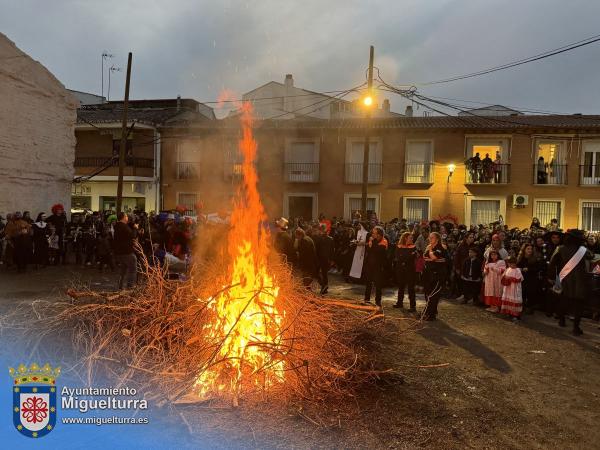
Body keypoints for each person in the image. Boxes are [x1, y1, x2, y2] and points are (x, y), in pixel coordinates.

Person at [548, 229, 593, 336]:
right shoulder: (583, 250)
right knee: (578, 304)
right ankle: (576, 328)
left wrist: (551, 277)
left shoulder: (560, 248)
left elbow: (551, 264)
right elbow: (591, 256)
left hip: (564, 279)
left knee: (563, 300)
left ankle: (562, 320)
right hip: (580, 281)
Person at [422, 231, 447, 320]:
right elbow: (424, 257)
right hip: (428, 273)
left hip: (437, 274)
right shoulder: (430, 247)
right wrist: (430, 253)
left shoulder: (440, 247)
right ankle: (429, 311)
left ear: (437, 239)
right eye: (429, 237)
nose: (429, 239)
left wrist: (430, 251)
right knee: (427, 293)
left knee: (433, 295)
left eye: (432, 237)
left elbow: (433, 258)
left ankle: (431, 315)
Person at [363, 226, 388, 307]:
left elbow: (378, 250)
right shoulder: (373, 240)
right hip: (370, 265)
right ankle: (366, 299)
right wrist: (370, 244)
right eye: (372, 233)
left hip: (378, 266)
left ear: (379, 234)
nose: (372, 234)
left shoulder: (384, 241)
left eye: (374, 233)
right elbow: (369, 250)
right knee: (368, 282)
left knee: (378, 284)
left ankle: (378, 301)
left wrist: (371, 244)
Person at [113, 212, 138, 290]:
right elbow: (132, 236)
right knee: (132, 270)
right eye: (126, 216)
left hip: (119, 252)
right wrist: (135, 228)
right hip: (127, 252)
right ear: (123, 217)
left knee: (123, 270)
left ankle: (120, 286)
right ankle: (130, 287)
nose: (127, 217)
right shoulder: (124, 227)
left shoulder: (117, 226)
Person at [517, 243, 544, 314]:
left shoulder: (535, 258)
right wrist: (519, 269)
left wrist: (528, 269)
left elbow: (538, 268)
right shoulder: (520, 257)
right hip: (522, 278)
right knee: (522, 293)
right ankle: (521, 307)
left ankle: (529, 308)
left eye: (531, 249)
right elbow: (517, 266)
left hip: (531, 279)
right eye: (528, 249)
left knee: (530, 294)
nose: (530, 250)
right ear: (524, 249)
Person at [394, 232, 417, 311]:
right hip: (400, 269)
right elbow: (397, 257)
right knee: (401, 287)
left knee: (411, 288)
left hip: (410, 270)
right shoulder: (399, 246)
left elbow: (412, 257)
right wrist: (406, 257)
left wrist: (404, 258)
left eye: (412, 238)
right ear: (405, 238)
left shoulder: (414, 247)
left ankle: (412, 306)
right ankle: (399, 303)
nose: (412, 239)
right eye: (410, 238)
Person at [500, 256, 524, 322]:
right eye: (509, 263)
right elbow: (503, 276)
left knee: (514, 300)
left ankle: (516, 315)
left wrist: (510, 278)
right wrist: (504, 277)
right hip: (508, 287)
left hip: (515, 288)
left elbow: (519, 279)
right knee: (508, 298)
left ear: (515, 263)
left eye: (511, 263)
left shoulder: (518, 270)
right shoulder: (508, 269)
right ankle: (509, 312)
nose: (510, 265)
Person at [313, 224, 334, 295]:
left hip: (323, 259)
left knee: (322, 273)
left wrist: (331, 260)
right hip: (322, 258)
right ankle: (324, 286)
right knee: (320, 273)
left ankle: (324, 287)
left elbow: (332, 250)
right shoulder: (320, 238)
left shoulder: (329, 239)